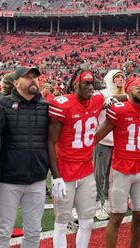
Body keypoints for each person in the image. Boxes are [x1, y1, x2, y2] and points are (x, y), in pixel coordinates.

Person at [95, 76, 140, 248]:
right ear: (128, 91)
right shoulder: (119, 111)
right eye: (138, 88)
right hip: (121, 170)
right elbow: (98, 135)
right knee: (117, 215)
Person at [0, 67, 50, 248]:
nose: (33, 80)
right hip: (8, 179)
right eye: (28, 77)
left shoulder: (46, 106)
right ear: (16, 83)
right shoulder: (1, 105)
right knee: (3, 231)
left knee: (33, 231)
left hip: (37, 179)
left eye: (35, 77)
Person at [48, 69, 102, 248]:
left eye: (92, 83)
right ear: (75, 84)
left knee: (87, 221)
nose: (90, 87)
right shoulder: (62, 105)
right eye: (86, 83)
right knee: (62, 221)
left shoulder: (97, 99)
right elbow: (50, 141)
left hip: (86, 169)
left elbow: (113, 94)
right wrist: (56, 176)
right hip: (65, 169)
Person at [94, 69, 125, 220]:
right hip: (104, 140)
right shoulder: (101, 94)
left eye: (122, 76)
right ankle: (95, 204)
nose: (120, 79)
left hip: (118, 141)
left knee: (111, 175)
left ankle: (106, 200)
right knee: (99, 174)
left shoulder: (126, 94)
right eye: (117, 76)